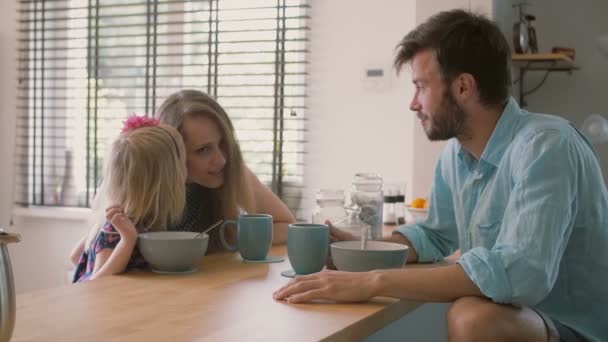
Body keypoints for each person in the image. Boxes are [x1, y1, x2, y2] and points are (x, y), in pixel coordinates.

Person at [273, 9, 608, 342]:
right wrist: (364, 249)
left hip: (575, 328)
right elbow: (435, 235)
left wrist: (373, 280)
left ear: (463, 86)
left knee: (473, 318)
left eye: (420, 86)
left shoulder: (547, 146)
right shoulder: (456, 155)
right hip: (525, 318)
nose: (413, 103)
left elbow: (521, 273)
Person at [154, 90, 295, 251]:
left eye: (223, 144)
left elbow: (287, 226)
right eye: (203, 150)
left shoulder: (231, 170)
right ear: (174, 153)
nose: (221, 160)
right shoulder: (142, 181)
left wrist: (234, 236)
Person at [71, 116, 187, 282]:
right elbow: (96, 285)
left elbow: (76, 258)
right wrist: (126, 241)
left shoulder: (146, 222)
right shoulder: (118, 228)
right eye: (181, 165)